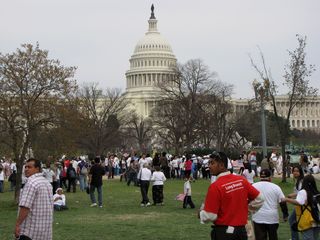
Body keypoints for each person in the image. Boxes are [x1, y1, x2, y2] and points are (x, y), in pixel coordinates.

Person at [199, 152, 264, 240]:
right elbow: (260, 199)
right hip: (241, 231)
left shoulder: (215, 186)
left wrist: (201, 213)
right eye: (209, 163)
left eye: (212, 163)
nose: (209, 166)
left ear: (221, 165)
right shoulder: (241, 180)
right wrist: (248, 209)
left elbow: (210, 215)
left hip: (224, 232)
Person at [14, 158, 53, 240]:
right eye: (25, 167)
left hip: (30, 232)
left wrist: (18, 225)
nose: (26, 169)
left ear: (37, 169)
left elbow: (25, 207)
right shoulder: (47, 183)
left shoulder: (31, 183)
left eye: (29, 167)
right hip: (45, 231)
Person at [252, 169, 288, 240]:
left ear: (260, 177)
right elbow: (282, 202)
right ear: (270, 177)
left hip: (258, 217)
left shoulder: (254, 186)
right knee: (273, 237)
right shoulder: (276, 187)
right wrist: (285, 214)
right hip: (272, 217)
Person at [285, 174, 320, 240]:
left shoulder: (303, 192)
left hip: (307, 220)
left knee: (308, 238)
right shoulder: (316, 192)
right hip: (317, 219)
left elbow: (299, 202)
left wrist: (286, 199)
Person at [287, 165, 304, 240]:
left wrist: (291, 195)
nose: (295, 173)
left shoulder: (301, 181)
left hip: (301, 204)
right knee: (293, 220)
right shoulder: (297, 180)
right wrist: (291, 196)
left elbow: (302, 192)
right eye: (294, 171)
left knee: (292, 219)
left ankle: (295, 238)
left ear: (300, 172)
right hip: (298, 204)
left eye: (297, 171)